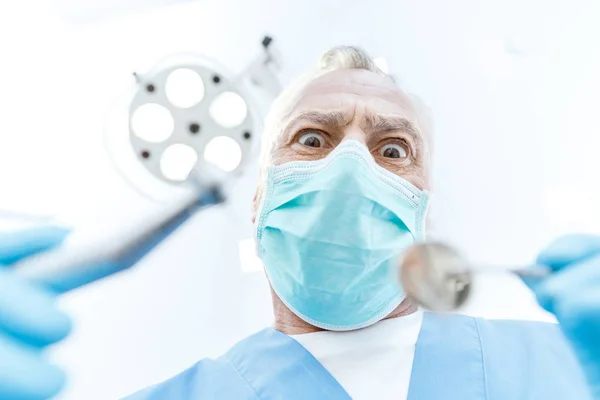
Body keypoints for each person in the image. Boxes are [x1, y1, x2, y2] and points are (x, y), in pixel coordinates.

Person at [1, 46, 600, 400]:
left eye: (392, 150)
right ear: (260, 201)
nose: (349, 167)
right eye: (312, 139)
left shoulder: (570, 365)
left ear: (423, 210)